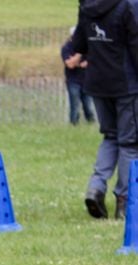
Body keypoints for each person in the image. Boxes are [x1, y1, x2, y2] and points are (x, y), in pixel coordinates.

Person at [73, 0, 138, 220]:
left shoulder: (86, 5)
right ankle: (125, 201)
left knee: (110, 137)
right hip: (126, 84)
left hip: (97, 83)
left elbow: (79, 44)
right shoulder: (129, 5)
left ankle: (96, 187)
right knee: (130, 143)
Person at [61, 27, 96, 126]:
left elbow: (93, 61)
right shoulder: (67, 48)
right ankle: (73, 126)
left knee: (89, 107)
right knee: (75, 107)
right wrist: (80, 55)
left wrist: (77, 61)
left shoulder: (89, 47)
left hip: (87, 81)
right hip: (73, 81)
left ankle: (91, 125)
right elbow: (70, 64)